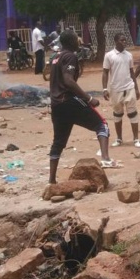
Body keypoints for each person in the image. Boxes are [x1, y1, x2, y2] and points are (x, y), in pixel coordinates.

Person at [48, 30, 115, 182]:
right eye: (76, 39)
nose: (79, 41)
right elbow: (68, 80)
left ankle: (51, 180)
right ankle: (105, 158)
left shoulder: (55, 57)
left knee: (58, 142)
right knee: (102, 125)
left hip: (56, 105)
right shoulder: (70, 56)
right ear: (71, 42)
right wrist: (89, 98)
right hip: (69, 101)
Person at [102, 33, 140, 148]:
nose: (124, 42)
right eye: (122, 40)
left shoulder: (129, 55)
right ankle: (119, 138)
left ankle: (136, 139)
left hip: (129, 87)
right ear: (116, 41)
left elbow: (131, 72)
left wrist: (136, 88)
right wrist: (105, 89)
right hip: (115, 89)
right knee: (117, 114)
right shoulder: (109, 55)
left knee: (133, 113)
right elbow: (105, 72)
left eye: (125, 40)